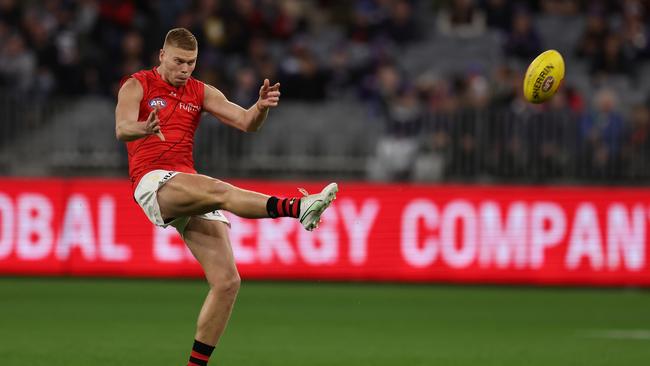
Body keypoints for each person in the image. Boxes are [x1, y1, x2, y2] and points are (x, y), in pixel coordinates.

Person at [114, 28, 338, 366]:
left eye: (191, 62)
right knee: (219, 191)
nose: (184, 69)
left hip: (185, 183)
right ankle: (297, 207)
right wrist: (142, 127)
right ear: (161, 55)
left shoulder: (200, 92)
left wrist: (260, 107)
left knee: (227, 282)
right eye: (178, 61)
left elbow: (247, 123)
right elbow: (121, 128)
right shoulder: (137, 84)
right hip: (151, 181)